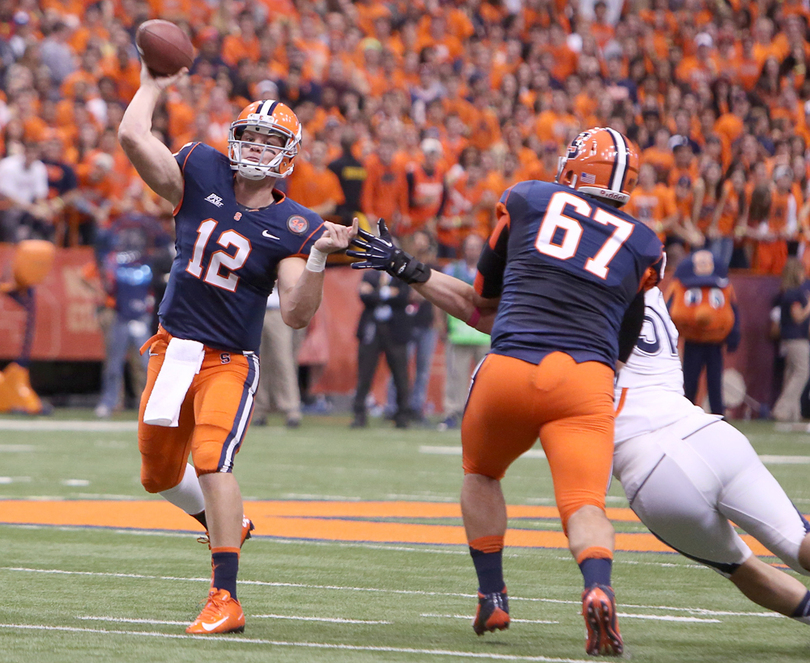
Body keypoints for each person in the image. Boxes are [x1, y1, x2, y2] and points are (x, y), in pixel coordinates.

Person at [350, 127, 664, 656]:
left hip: (511, 368)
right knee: (585, 504)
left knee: (481, 474)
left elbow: (481, 304)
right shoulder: (645, 243)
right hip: (586, 380)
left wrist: (405, 266)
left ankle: (492, 592)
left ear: (572, 167)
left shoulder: (528, 198)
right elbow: (622, 350)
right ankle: (598, 587)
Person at [118, 65, 356, 635]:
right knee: (156, 475)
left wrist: (320, 256)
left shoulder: (294, 222)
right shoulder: (199, 170)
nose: (256, 146)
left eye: (270, 140)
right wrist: (153, 80)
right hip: (171, 348)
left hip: (227, 359)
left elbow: (297, 313)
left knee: (212, 459)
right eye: (249, 135)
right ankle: (224, 521)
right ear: (233, 139)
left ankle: (225, 597)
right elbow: (132, 137)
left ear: (287, 154)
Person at [614, 286, 810, 625]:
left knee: (744, 568)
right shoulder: (654, 295)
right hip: (709, 435)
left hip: (650, 470)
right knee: (797, 540)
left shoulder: (573, 303)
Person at [666, 250, 740, 415]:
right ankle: (686, 414)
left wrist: (733, 335)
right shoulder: (680, 284)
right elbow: (668, 311)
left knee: (715, 383)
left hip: (714, 344)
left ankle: (717, 415)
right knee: (689, 382)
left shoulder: (725, 285)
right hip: (693, 342)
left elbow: (732, 308)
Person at [438, 233, 489, 430]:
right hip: (459, 332)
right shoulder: (453, 269)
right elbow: (441, 295)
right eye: (469, 246)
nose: (472, 250)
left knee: (487, 378)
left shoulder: (489, 271)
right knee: (455, 376)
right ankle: (452, 413)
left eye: (476, 246)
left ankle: (485, 414)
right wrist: (441, 324)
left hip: (483, 333)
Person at [351, 268, 412, 429]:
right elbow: (364, 296)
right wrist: (388, 292)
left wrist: (377, 292)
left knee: (400, 375)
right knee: (365, 373)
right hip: (372, 328)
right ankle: (359, 414)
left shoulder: (402, 275)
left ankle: (402, 415)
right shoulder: (370, 274)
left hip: (396, 330)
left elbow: (404, 297)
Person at [252, 288, 303, 428]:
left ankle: (291, 409)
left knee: (283, 361)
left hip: (278, 310)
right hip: (254, 308)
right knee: (256, 361)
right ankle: (259, 410)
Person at [772, 258, 810, 422]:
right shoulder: (794, 293)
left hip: (790, 338)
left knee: (791, 373)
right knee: (802, 372)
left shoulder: (787, 292)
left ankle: (792, 412)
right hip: (796, 338)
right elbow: (798, 317)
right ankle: (782, 408)